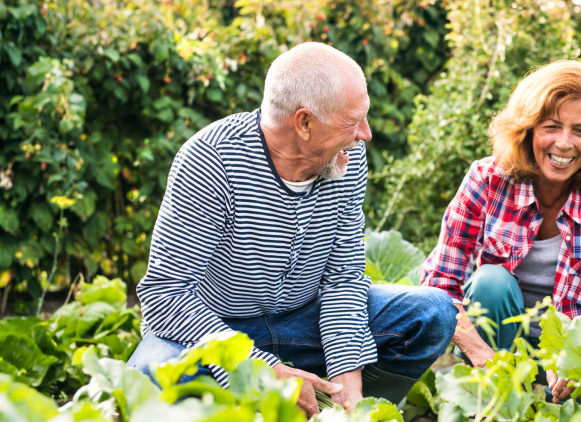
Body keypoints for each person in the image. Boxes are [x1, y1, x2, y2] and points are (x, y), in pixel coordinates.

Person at [126, 42, 457, 417]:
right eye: (353, 121)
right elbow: (165, 294)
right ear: (304, 123)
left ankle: (329, 408)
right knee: (151, 376)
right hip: (219, 330)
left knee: (433, 314)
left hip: (304, 323)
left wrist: (349, 382)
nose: (365, 133)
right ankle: (260, 402)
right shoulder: (212, 160)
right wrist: (262, 368)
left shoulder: (344, 157)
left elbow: (343, 279)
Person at [421, 60, 581, 404]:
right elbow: (439, 286)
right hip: (495, 350)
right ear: (528, 127)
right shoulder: (487, 180)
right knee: (491, 281)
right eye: (551, 126)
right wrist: (483, 356)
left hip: (571, 362)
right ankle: (492, 401)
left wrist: (578, 359)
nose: (565, 144)